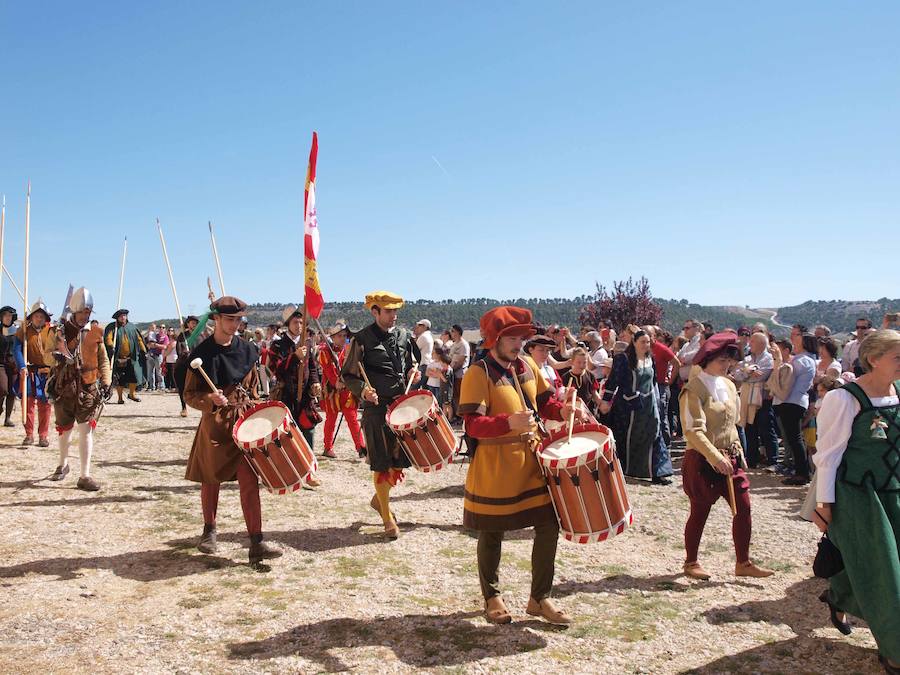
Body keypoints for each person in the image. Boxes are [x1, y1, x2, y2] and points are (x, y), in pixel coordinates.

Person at [459, 306, 581, 625]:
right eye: (510, 337)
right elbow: (471, 425)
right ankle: (492, 596)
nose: (517, 344)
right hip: (495, 466)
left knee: (548, 526)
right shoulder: (478, 373)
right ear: (494, 339)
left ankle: (540, 598)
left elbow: (545, 403)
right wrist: (506, 423)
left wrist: (563, 410)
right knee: (491, 531)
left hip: (532, 463)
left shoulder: (527, 365)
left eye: (520, 337)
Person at [813, 329, 899, 671]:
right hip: (860, 496)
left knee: (883, 562)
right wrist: (824, 505)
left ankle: (839, 595)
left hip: (894, 490)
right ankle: (894, 649)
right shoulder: (844, 399)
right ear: (874, 359)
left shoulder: (896, 394)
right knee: (886, 572)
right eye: (898, 358)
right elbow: (828, 457)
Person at [183, 295, 281, 565]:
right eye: (230, 319)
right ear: (216, 318)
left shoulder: (249, 350)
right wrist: (209, 401)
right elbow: (190, 394)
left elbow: (255, 389)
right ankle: (209, 531)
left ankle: (257, 542)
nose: (236, 324)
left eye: (239, 319)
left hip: (243, 422)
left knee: (250, 482)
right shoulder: (201, 354)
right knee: (210, 479)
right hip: (215, 424)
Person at [679, 332, 774, 580]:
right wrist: (713, 456)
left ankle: (743, 562)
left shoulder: (730, 386)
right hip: (703, 459)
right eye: (722, 360)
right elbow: (693, 430)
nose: (727, 364)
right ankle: (691, 562)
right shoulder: (693, 389)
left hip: (730, 457)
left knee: (743, 507)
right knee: (700, 511)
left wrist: (737, 453)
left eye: (729, 360)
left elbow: (733, 424)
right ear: (708, 360)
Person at [341, 291, 420, 539]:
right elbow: (349, 375)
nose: (394, 316)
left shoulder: (405, 336)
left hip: (401, 407)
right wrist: (363, 391)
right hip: (376, 409)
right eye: (388, 311)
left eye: (396, 311)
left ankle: (379, 500)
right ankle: (387, 518)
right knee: (382, 463)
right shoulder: (361, 339)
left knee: (399, 461)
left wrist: (413, 375)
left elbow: (413, 365)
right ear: (375, 312)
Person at [48, 287, 111, 491]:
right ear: (74, 311)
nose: (85, 316)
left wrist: (107, 382)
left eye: (88, 313)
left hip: (88, 390)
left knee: (86, 431)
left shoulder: (95, 334)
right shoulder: (59, 332)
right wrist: (56, 354)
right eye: (83, 312)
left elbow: (103, 360)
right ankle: (63, 464)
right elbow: (47, 355)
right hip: (64, 389)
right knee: (64, 431)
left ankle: (85, 475)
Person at [600, 329, 672, 484]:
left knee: (655, 434)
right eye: (642, 342)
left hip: (649, 405)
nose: (646, 345)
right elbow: (613, 381)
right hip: (628, 406)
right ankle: (628, 469)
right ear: (634, 342)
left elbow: (653, 382)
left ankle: (657, 472)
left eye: (648, 342)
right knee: (629, 439)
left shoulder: (650, 359)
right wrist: (606, 401)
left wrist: (657, 401)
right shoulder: (623, 359)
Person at [270, 306, 322, 453]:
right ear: (288, 324)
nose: (299, 326)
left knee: (308, 430)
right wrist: (294, 357)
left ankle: (309, 467)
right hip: (285, 395)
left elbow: (311, 367)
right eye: (295, 322)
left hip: (305, 396)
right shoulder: (277, 345)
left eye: (301, 322)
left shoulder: (307, 343)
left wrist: (315, 381)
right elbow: (277, 370)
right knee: (287, 433)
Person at [771, 330, 817, 486]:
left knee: (795, 439)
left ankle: (801, 473)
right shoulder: (807, 360)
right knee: (794, 438)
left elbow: (786, 376)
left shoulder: (802, 360)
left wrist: (779, 360)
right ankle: (802, 471)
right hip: (796, 401)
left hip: (792, 401)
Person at [318, 323, 365, 459]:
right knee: (331, 420)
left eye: (345, 336)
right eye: (340, 336)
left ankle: (360, 447)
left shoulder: (349, 351)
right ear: (332, 337)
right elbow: (328, 370)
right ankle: (328, 447)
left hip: (347, 390)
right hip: (332, 392)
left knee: (352, 419)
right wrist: (336, 381)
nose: (343, 338)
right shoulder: (325, 351)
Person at [14, 300, 56, 447]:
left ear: (45, 318)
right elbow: (17, 350)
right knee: (28, 403)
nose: (39, 319)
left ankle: (43, 436)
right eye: (36, 316)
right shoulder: (24, 330)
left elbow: (56, 350)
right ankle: (29, 434)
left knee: (45, 405)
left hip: (47, 372)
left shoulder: (51, 331)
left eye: (42, 316)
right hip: (29, 372)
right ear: (31, 317)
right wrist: (21, 366)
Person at [732, 332, 778, 467]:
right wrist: (748, 372)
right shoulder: (747, 359)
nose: (749, 344)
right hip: (747, 398)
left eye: (752, 341)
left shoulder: (769, 359)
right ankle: (752, 459)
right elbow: (737, 375)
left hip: (763, 399)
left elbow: (761, 376)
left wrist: (746, 372)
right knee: (749, 428)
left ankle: (773, 460)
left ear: (761, 344)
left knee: (766, 429)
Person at [104, 309, 147, 404]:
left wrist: (143, 349)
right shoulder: (112, 327)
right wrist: (111, 346)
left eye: (124, 316)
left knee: (133, 376)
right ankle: (120, 398)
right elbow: (108, 338)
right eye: (121, 316)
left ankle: (132, 394)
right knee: (120, 378)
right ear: (117, 318)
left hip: (131, 357)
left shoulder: (131, 327)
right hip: (119, 358)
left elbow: (139, 339)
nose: (123, 318)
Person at [0, 306, 18, 427]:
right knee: (3, 389)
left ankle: (7, 418)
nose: (8, 317)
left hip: (13, 365)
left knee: (12, 391)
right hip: (1, 364)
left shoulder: (17, 331)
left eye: (10, 316)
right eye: (5, 315)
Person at [448, 324, 470, 419]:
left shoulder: (463, 345)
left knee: (462, 396)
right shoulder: (454, 344)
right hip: (453, 374)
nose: (451, 333)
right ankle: (458, 416)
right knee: (455, 396)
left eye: (453, 331)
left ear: (458, 332)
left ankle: (464, 417)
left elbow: (461, 361)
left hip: (460, 374)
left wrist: (451, 371)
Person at [414, 319, 434, 387]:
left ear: (425, 327)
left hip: (423, 364)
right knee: (425, 387)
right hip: (427, 363)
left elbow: (415, 349)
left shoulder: (423, 336)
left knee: (414, 387)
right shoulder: (429, 336)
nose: (418, 327)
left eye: (420, 325)